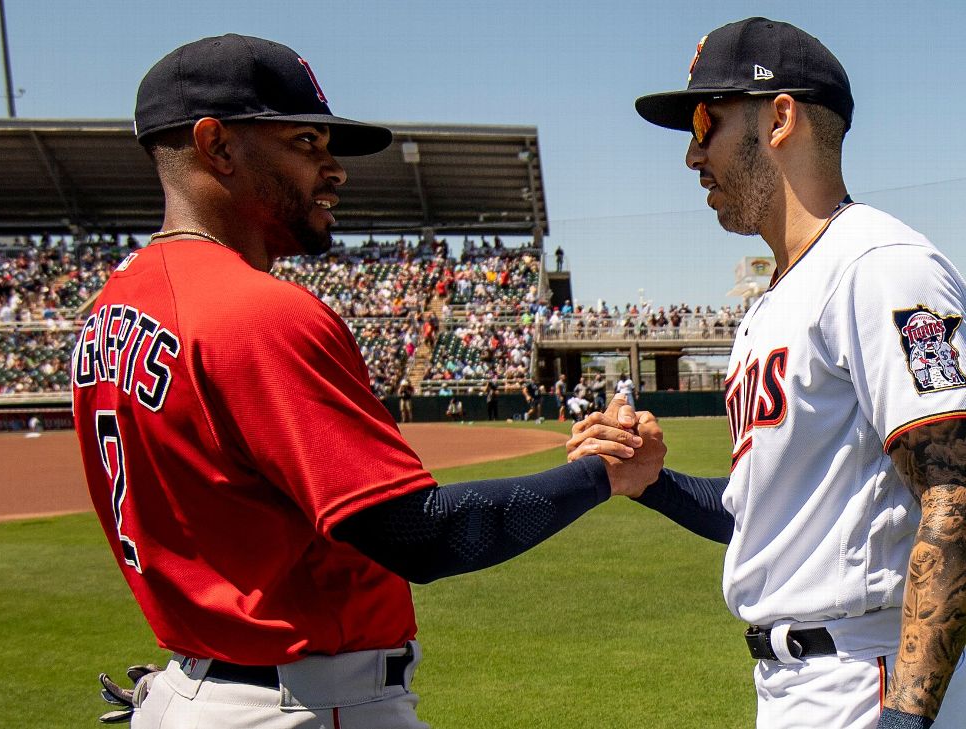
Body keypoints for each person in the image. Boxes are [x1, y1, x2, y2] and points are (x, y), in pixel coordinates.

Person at [76, 35, 663, 729]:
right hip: (300, 702)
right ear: (217, 146)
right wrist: (605, 472)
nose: (334, 170)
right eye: (306, 142)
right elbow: (424, 536)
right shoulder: (257, 312)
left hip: (199, 689)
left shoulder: (109, 309)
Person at [573, 18, 966, 729]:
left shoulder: (883, 266)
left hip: (865, 677)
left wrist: (905, 719)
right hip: (797, 682)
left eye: (704, 121)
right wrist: (651, 483)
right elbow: (766, 513)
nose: (690, 155)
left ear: (779, 118)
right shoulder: (778, 299)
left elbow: (959, 499)